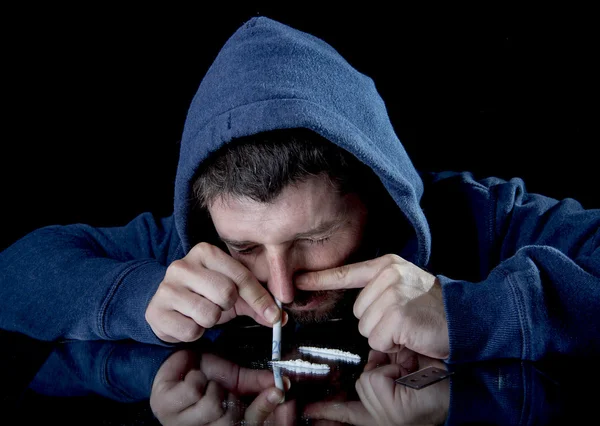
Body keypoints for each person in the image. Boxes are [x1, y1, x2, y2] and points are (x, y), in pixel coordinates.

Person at [1, 16, 599, 366]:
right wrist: (136, 294)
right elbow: (14, 273)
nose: (280, 289)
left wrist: (477, 313)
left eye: (312, 238)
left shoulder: (483, 217)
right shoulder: (190, 254)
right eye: (246, 248)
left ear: (376, 197)